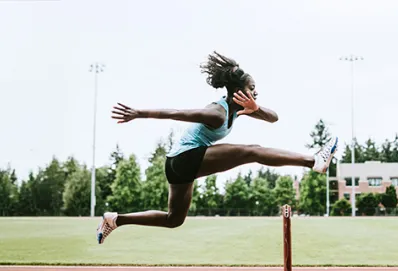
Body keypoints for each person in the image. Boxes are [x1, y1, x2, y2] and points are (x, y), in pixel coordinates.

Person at [96, 51, 338, 244]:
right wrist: (139, 113)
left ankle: (115, 220)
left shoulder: (239, 109)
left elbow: (273, 118)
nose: (256, 92)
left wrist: (255, 108)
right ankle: (313, 161)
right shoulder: (218, 112)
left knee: (174, 219)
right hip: (184, 158)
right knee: (251, 150)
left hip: (178, 165)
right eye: (252, 88)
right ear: (238, 91)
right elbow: (178, 113)